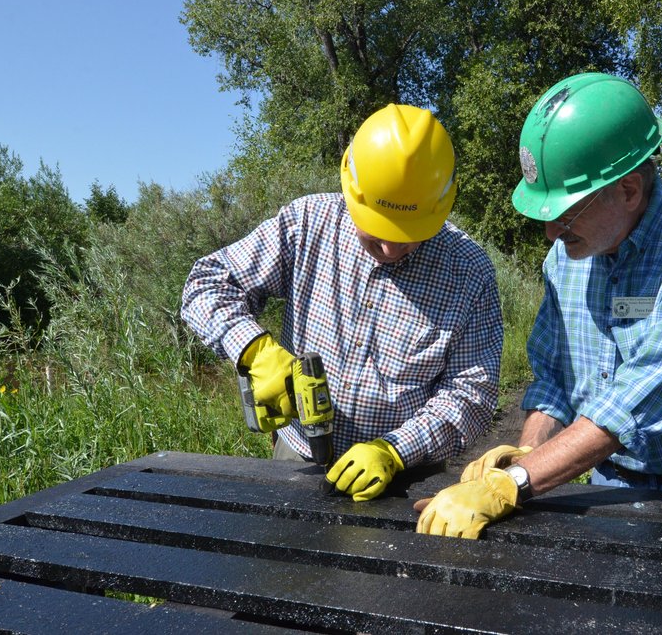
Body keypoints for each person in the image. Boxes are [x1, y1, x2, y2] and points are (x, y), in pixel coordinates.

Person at [416, 72, 662, 538]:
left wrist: (514, 483)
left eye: (566, 213)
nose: (551, 234)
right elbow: (553, 380)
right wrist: (530, 453)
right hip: (609, 481)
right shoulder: (565, 261)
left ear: (628, 190)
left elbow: (636, 401)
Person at [181, 103, 503, 502]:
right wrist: (254, 349)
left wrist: (395, 450)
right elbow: (206, 283)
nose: (389, 247)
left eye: (408, 233)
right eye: (378, 229)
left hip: (408, 479)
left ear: (442, 204)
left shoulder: (468, 270)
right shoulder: (307, 224)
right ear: (352, 189)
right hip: (296, 459)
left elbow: (472, 393)